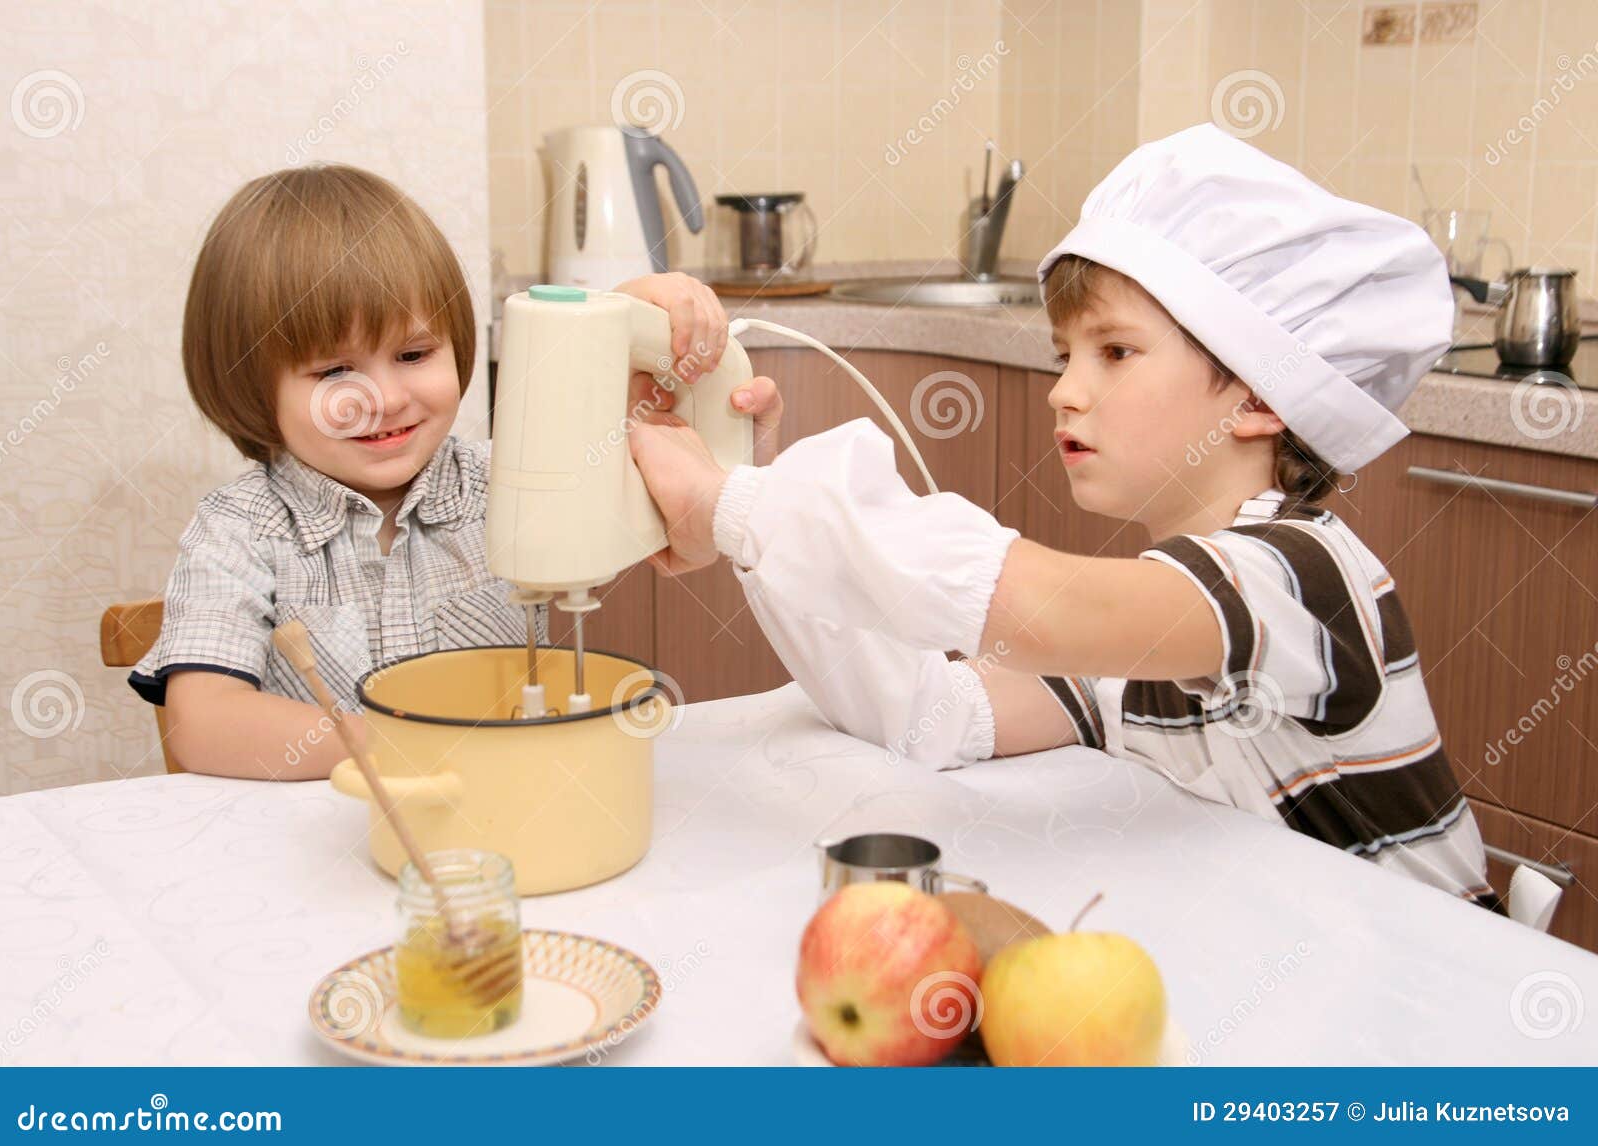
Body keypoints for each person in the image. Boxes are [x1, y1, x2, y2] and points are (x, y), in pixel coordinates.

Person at [628, 125, 1497, 907]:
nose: (1065, 391)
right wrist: (748, 499)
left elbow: (1048, 607)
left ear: (1259, 394)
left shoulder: (1302, 577)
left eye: (1115, 352)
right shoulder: (1146, 652)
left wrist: (734, 506)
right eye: (1066, 355)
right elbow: (933, 715)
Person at [131, 163, 778, 779]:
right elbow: (204, 721)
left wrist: (722, 434)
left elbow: (684, 520)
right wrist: (397, 747)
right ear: (250, 386)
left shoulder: (509, 480)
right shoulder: (239, 529)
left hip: (506, 820)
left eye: (413, 353)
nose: (384, 398)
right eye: (333, 372)